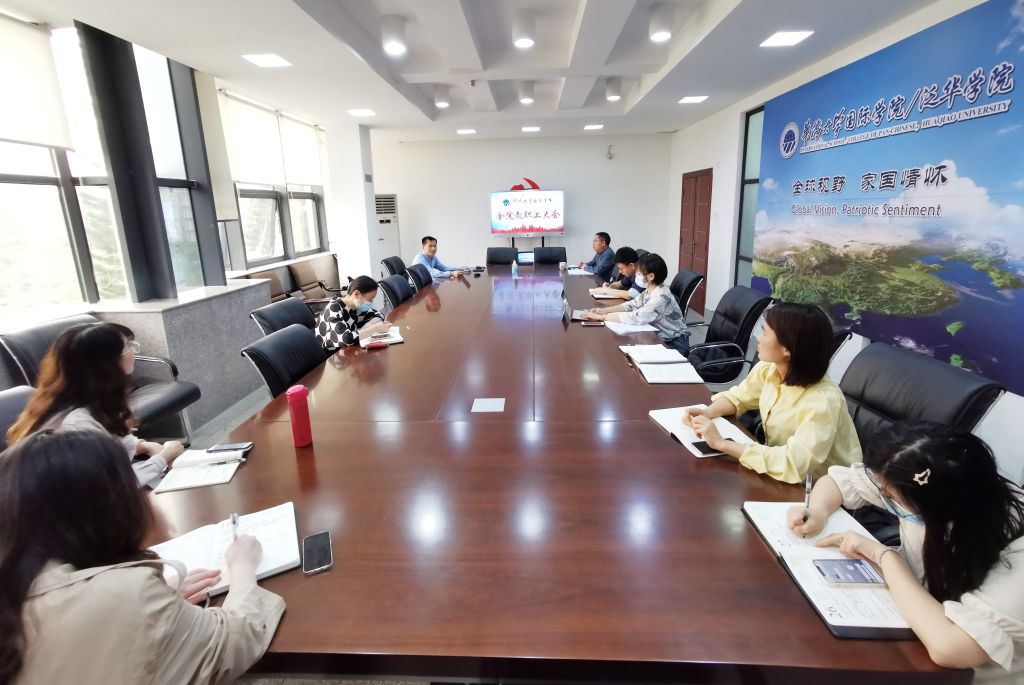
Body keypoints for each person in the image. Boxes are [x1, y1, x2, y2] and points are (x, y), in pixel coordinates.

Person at [0, 429, 285, 684]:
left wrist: (157, 603)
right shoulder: (125, 595)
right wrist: (242, 567)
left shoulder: (19, 588)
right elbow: (232, 643)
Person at [788, 422, 1024, 680]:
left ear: (936, 508)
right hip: (910, 625)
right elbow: (839, 482)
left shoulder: (1015, 548)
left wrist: (886, 558)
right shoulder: (922, 486)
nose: (886, 498)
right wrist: (818, 510)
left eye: (893, 499)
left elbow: (952, 648)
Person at [683, 302, 861, 484]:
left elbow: (794, 464)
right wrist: (706, 412)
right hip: (780, 473)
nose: (758, 337)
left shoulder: (823, 401)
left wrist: (722, 443)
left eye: (765, 332)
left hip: (821, 489)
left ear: (787, 349)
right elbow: (739, 397)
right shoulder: (769, 368)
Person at [6, 322, 185, 488]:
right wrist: (164, 456)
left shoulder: (90, 399)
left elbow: (112, 440)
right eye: (129, 346)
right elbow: (112, 486)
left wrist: (143, 446)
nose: (133, 351)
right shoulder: (77, 424)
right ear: (108, 363)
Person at [581, 253, 689, 351]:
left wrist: (602, 317)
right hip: (659, 336)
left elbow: (635, 317)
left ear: (651, 276)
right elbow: (632, 305)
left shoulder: (659, 297)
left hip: (673, 344)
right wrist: (602, 310)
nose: (636, 275)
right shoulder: (652, 289)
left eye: (638, 273)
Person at [315, 275, 391, 350]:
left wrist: (368, 325)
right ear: (356, 294)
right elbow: (347, 339)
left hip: (350, 350)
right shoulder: (334, 308)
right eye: (370, 299)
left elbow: (379, 315)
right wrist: (374, 329)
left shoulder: (355, 306)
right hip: (332, 353)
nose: (371, 302)